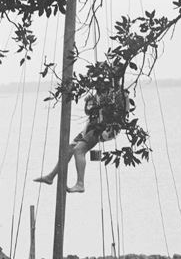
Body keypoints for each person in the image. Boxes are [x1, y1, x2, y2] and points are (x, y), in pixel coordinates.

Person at [34, 64, 130, 193]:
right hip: (92, 127)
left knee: (79, 150)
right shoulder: (101, 92)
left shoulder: (120, 94)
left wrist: (105, 116)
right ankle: (51, 177)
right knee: (69, 148)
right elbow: (89, 112)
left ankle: (80, 183)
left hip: (105, 129)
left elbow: (122, 114)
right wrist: (88, 102)